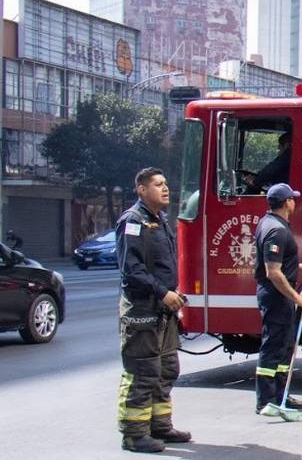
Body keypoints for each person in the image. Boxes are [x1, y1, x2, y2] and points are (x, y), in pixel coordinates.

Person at [116, 167, 190, 453]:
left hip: (163, 309)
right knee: (143, 371)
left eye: (166, 182)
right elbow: (131, 270)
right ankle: (134, 434)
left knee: (167, 369)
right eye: (158, 184)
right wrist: (163, 292)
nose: (165, 188)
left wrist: (173, 295)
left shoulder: (159, 221)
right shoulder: (132, 222)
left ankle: (160, 426)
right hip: (142, 309)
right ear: (141, 189)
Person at [254, 182, 302, 416]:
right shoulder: (277, 230)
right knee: (273, 346)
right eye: (293, 198)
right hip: (277, 297)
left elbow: (275, 264)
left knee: (284, 348)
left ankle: (281, 395)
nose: (295, 201)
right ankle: (266, 401)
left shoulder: (269, 224)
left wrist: (295, 267)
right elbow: (273, 272)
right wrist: (298, 298)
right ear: (287, 202)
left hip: (278, 295)